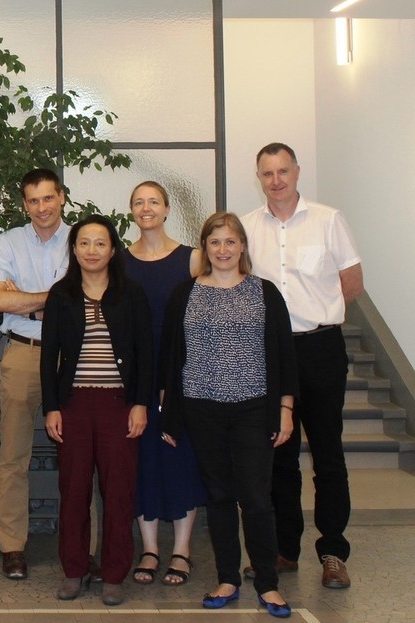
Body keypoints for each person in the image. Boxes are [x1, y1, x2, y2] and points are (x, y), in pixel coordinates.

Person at [160, 212, 296, 619]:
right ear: (205, 248)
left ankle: (268, 584)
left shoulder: (265, 292)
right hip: (202, 408)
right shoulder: (185, 293)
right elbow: (171, 358)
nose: (222, 250)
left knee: (256, 499)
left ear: (242, 248)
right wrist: (170, 414)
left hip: (255, 408)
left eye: (230, 242)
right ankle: (227, 578)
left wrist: (285, 410)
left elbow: (285, 358)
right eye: (215, 242)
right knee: (219, 497)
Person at [241, 142, 363, 589]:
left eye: (283, 171)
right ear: (259, 177)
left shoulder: (329, 220)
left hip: (321, 349)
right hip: (269, 352)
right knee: (278, 456)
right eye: (268, 173)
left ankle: (333, 550)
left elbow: (351, 283)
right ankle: (283, 550)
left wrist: (317, 313)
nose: (276, 180)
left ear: (297, 172)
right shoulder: (248, 227)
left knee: (328, 454)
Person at [41, 214, 153, 605]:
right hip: (73, 405)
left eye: (100, 243)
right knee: (72, 490)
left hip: (119, 406)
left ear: (113, 249)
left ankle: (113, 573)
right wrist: (51, 407)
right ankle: (74, 569)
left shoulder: (131, 294)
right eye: (84, 243)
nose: (92, 250)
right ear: (73, 249)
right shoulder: (60, 295)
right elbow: (49, 357)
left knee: (118, 490)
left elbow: (146, 354)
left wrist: (141, 403)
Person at [123, 181, 208, 587]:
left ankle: (182, 549)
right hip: (137, 376)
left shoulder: (193, 259)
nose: (146, 208)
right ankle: (151, 548)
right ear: (131, 211)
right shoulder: (120, 262)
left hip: (182, 373)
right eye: (139, 203)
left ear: (167, 208)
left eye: (153, 201)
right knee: (144, 461)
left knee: (181, 459)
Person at [0, 168, 69, 581]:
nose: (42, 208)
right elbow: (0, 300)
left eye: (48, 198)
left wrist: (33, 303)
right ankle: (12, 547)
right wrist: (55, 301)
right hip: (23, 354)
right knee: (13, 458)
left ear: (62, 198)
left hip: (73, 359)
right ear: (25, 204)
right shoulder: (7, 243)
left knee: (78, 458)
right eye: (33, 201)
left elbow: (91, 299)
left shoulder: (82, 240)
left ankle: (80, 548)